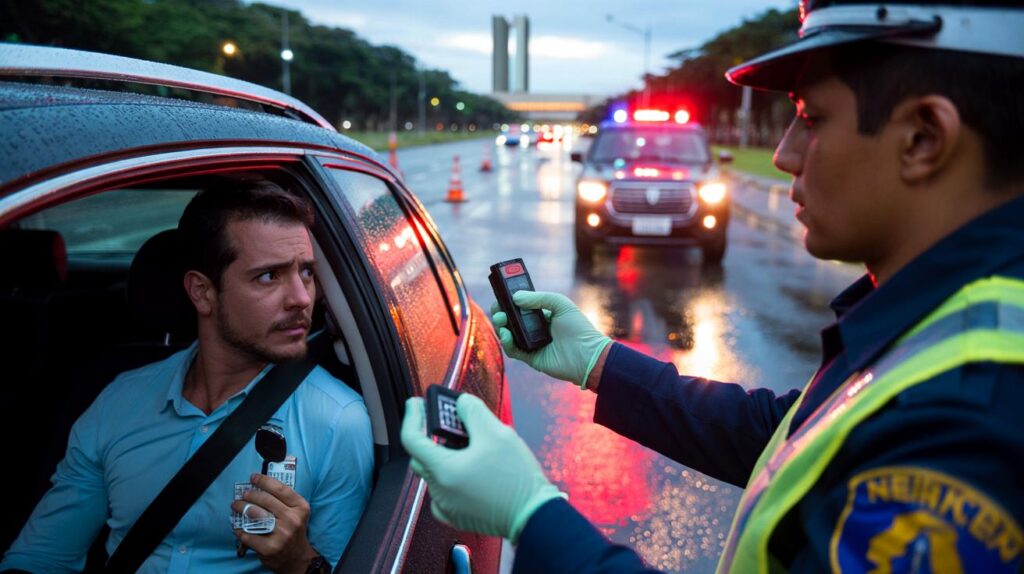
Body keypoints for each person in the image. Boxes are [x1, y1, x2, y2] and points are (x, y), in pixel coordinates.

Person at [401, 1, 1024, 572]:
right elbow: (787, 433)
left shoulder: (973, 417)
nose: (784, 154)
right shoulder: (950, 322)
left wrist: (530, 515)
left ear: (923, 138)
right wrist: (600, 362)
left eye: (812, 118)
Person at [1, 181, 374, 573]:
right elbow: (42, 558)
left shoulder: (338, 423)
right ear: (202, 292)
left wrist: (301, 562)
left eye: (307, 272)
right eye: (268, 276)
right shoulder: (119, 403)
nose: (301, 298)